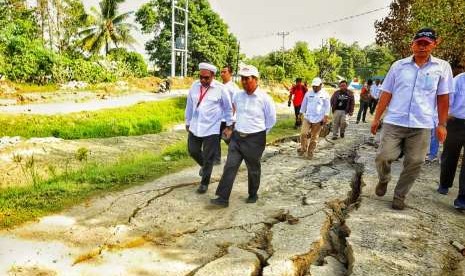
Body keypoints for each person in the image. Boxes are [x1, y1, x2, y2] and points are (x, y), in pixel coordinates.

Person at [371, 28, 453, 210]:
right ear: (412, 45)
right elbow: (386, 93)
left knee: (415, 162)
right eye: (419, 43)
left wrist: (442, 124)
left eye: (427, 43)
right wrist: (376, 118)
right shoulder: (398, 66)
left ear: (434, 44)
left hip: (422, 124)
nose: (422, 47)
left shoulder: (442, 67)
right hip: (394, 121)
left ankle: (400, 195)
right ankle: (384, 179)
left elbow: (443, 97)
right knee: (383, 156)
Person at [210, 65, 276, 207]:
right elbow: (234, 112)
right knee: (230, 166)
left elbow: (271, 120)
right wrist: (230, 127)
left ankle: (253, 193)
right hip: (237, 137)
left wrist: (260, 135)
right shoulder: (238, 95)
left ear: (255, 79)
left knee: (253, 169)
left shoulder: (264, 98)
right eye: (242, 79)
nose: (244, 82)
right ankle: (222, 198)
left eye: (247, 79)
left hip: (255, 139)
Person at [185, 62, 234, 194]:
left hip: (212, 128)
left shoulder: (220, 89)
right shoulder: (194, 86)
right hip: (195, 125)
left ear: (213, 76)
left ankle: (204, 183)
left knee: (208, 156)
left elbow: (228, 108)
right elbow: (189, 105)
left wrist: (229, 125)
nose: (202, 80)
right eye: (201, 77)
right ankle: (205, 167)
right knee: (192, 150)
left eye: (206, 77)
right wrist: (187, 121)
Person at [438, 65, 465, 210]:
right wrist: (445, 119)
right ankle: (445, 183)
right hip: (456, 122)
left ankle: (462, 197)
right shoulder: (458, 80)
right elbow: (447, 101)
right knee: (450, 155)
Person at [298, 77, 330, 159]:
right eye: (313, 86)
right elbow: (304, 104)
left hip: (318, 118)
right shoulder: (308, 93)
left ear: (320, 85)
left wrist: (326, 117)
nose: (315, 88)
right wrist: (300, 114)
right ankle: (303, 148)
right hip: (308, 117)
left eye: (316, 86)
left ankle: (310, 152)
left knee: (314, 137)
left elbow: (327, 107)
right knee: (303, 133)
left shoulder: (325, 94)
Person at [214, 65, 239, 164]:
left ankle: (237, 155)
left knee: (228, 139)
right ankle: (216, 159)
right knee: (215, 138)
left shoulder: (233, 88)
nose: (222, 74)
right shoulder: (219, 86)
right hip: (219, 118)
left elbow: (235, 103)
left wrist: (231, 119)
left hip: (228, 119)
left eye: (225, 72)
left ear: (230, 73)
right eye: (221, 72)